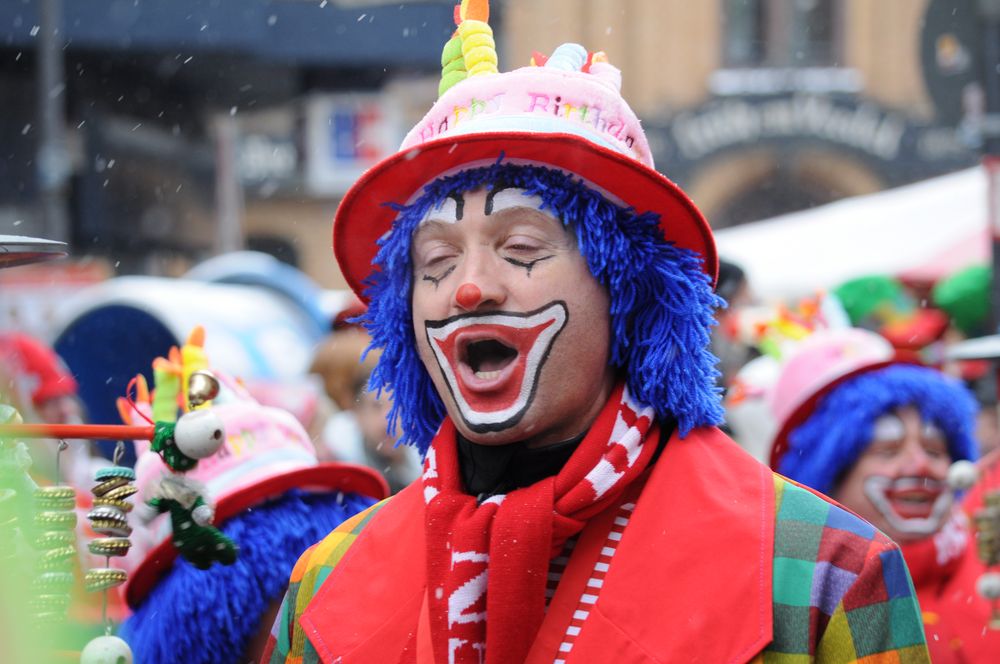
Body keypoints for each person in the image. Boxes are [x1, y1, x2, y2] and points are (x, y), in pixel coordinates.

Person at [264, 3, 929, 662]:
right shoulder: (327, 580)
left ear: (628, 288)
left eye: (520, 247)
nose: (470, 287)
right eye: (436, 262)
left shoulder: (824, 570)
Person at [770, 327, 999, 663]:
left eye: (935, 450)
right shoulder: (796, 597)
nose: (920, 465)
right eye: (888, 450)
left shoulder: (988, 556)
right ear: (827, 474)